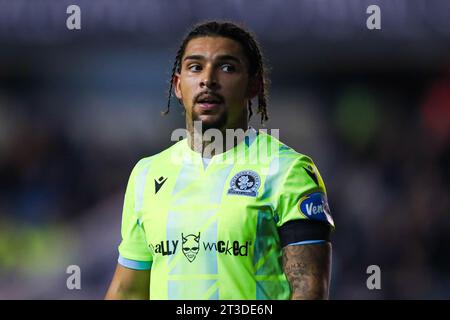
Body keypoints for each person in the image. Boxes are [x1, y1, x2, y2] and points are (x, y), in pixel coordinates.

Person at [105, 21, 334, 300]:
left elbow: (309, 291)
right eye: (195, 67)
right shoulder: (147, 174)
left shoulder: (288, 171)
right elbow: (128, 292)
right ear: (178, 85)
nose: (208, 79)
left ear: (253, 85)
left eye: (227, 67)